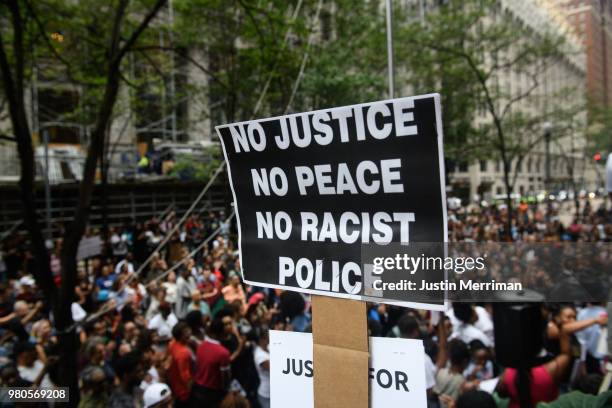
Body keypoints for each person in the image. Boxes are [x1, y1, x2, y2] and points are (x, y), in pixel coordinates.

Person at [192, 316, 231, 408]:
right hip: (213, 393)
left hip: (198, 389)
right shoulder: (223, 353)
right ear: (222, 332)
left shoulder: (200, 346)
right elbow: (225, 379)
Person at [167, 322, 193, 407]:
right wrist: (193, 394)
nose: (190, 332)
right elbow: (186, 377)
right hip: (184, 394)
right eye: (186, 331)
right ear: (181, 336)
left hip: (175, 389)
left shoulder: (172, 343)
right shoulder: (183, 353)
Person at [253, 325, 270, 408]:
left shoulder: (269, 347)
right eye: (267, 334)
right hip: (267, 394)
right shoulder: (260, 355)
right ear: (262, 338)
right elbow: (277, 369)